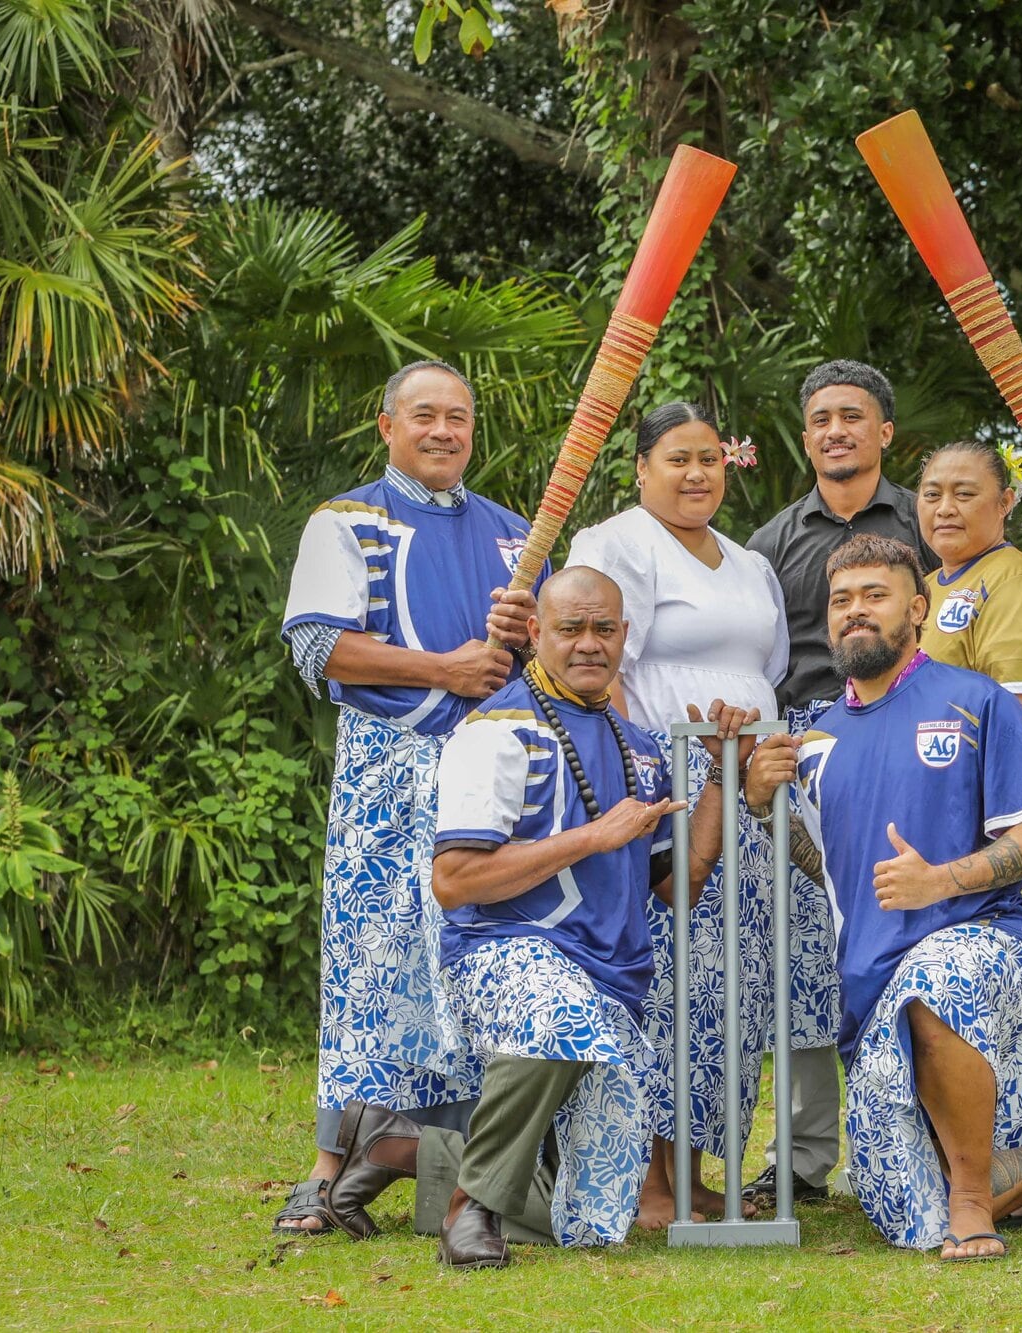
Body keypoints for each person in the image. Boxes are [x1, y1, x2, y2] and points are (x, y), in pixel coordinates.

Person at [744, 535, 1022, 1261]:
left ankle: (974, 1202)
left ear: (916, 608)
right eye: (842, 600)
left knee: (934, 982)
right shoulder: (815, 737)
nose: (856, 612)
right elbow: (826, 862)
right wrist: (761, 802)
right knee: (906, 1212)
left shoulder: (974, 699)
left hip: (988, 938)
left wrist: (941, 880)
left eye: (875, 596)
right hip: (870, 983)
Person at [314, 567, 763, 1266]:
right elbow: (455, 880)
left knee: (590, 1218)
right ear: (536, 634)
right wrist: (591, 837)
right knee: (559, 1017)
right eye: (571, 628)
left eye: (604, 629)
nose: (590, 644)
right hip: (502, 958)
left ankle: (407, 1148)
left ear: (625, 636)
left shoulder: (640, 747)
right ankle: (471, 1210)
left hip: (610, 983)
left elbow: (681, 886)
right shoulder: (495, 731)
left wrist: (719, 777)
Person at [273, 359, 543, 1234]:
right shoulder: (346, 521)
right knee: (372, 961)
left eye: (458, 417)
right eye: (423, 415)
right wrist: (446, 667)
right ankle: (325, 1167)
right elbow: (321, 648)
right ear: (387, 425)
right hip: (389, 771)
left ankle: (445, 1171)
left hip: (492, 772)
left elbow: (552, 662)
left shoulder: (516, 535)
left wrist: (534, 638)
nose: (442, 431)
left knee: (468, 962)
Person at [563, 402, 789, 1226]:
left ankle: (695, 1168)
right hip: (665, 778)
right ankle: (650, 1178)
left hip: (749, 780)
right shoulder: (616, 543)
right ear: (640, 467)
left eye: (709, 459)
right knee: (671, 974)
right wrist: (637, 777)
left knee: (731, 979)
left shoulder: (747, 560)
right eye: (677, 458)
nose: (696, 473)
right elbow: (600, 668)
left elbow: (768, 667)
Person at [740, 359, 936, 1209]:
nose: (835, 431)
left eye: (852, 416)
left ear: (884, 432)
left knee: (916, 929)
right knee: (804, 948)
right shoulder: (772, 544)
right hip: (810, 750)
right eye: (820, 417)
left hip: (914, 737)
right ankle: (803, 1155)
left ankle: (919, 1137)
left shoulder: (925, 521)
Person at [914, 439, 1022, 1227]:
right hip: (928, 854)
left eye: (965, 492)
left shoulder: (1013, 581)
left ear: (1005, 501)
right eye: (932, 493)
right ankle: (980, 1183)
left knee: (998, 1045)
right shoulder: (924, 587)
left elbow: (1021, 713)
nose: (945, 507)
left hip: (997, 857)